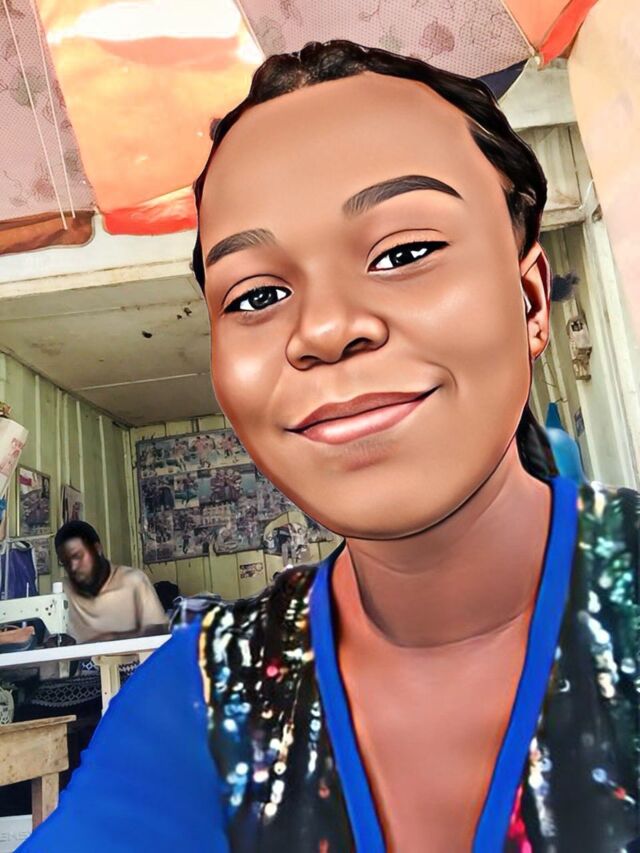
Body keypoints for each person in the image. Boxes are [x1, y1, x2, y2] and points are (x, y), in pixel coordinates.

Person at [20, 41, 638, 852]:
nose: (323, 329)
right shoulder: (203, 700)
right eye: (258, 294)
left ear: (530, 300)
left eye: (404, 253)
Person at [54, 521, 168, 643]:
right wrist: (53, 642)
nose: (72, 567)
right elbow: (53, 637)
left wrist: (112, 641)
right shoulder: (62, 591)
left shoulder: (133, 581)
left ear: (97, 549)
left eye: (77, 556)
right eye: (65, 562)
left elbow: (159, 630)